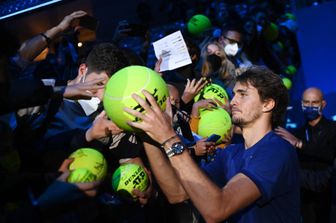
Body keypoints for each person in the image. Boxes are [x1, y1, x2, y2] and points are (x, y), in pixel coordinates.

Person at [124, 66, 300, 222]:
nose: (233, 102)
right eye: (234, 94)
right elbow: (178, 193)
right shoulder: (230, 153)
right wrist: (148, 135)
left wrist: (169, 138)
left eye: (243, 94)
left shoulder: (276, 150)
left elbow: (217, 210)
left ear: (267, 104)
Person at [275, 87, 336, 223]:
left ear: (323, 104)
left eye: (314, 103)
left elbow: (329, 153)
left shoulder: (333, 128)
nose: (310, 106)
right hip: (302, 197)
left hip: (327, 198)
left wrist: (299, 144)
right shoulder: (296, 133)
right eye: (306, 102)